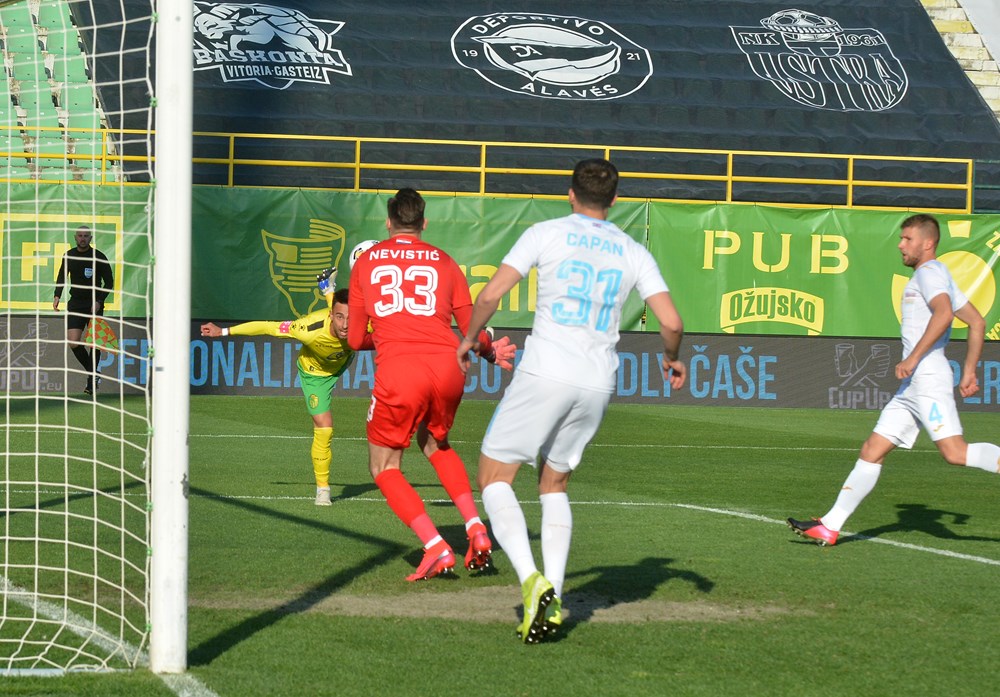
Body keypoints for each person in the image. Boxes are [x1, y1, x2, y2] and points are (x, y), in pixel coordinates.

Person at [456, 158, 686, 644]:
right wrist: (671, 359)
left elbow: (491, 294)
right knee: (555, 483)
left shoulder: (546, 232)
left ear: (570, 194)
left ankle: (530, 580)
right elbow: (671, 322)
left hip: (546, 371)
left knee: (494, 477)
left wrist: (471, 337)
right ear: (615, 199)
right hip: (598, 381)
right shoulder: (633, 250)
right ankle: (554, 597)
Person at [788, 213, 1000, 546]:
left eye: (907, 239)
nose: (901, 245)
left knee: (955, 453)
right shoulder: (938, 273)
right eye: (902, 238)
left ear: (927, 243)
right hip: (914, 385)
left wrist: (913, 358)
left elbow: (945, 314)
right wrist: (970, 369)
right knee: (872, 449)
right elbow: (977, 322)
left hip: (927, 379)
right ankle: (830, 525)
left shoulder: (929, 273)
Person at [347, 188, 517, 582]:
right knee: (435, 442)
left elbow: (355, 339)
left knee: (383, 466)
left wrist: (388, 336)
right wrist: (490, 352)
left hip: (401, 371)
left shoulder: (367, 262)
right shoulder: (445, 261)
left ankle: (436, 545)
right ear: (424, 222)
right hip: (448, 366)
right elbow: (471, 328)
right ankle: (475, 528)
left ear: (388, 222)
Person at [201, 284, 374, 506]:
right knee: (324, 427)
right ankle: (323, 489)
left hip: (343, 361)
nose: (345, 325)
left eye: (350, 318)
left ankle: (328, 289)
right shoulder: (307, 328)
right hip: (315, 374)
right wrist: (224, 331)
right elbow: (268, 327)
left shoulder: (364, 323)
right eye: (339, 317)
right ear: (331, 315)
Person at [53, 225, 114, 396]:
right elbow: (61, 276)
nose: (82, 238)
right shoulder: (69, 255)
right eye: (80, 235)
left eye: (86, 236)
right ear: (75, 237)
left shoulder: (99, 257)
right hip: (76, 304)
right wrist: (57, 295)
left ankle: (91, 383)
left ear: (90, 238)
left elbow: (109, 282)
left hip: (94, 305)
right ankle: (93, 373)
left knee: (94, 343)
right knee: (73, 342)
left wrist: (99, 301)